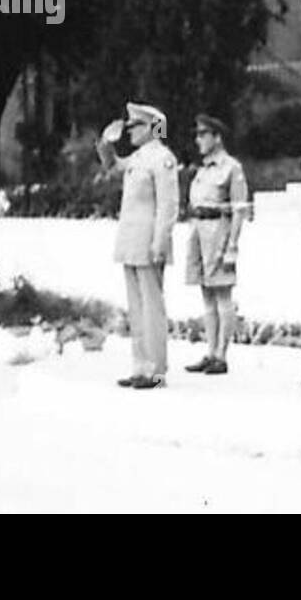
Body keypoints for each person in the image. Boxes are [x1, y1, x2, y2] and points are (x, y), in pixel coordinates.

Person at [97, 102, 178, 389]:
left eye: (136, 127)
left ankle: (156, 370)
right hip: (131, 240)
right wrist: (106, 143)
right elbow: (111, 165)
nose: (130, 132)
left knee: (152, 306)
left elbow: (168, 207)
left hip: (149, 241)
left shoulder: (162, 159)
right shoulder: (138, 159)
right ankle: (140, 366)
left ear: (153, 128)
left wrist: (160, 242)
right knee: (136, 307)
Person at [183, 114, 251, 376]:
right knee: (206, 294)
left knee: (222, 293)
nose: (198, 139)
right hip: (199, 229)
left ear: (217, 137)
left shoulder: (231, 168)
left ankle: (222, 354)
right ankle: (210, 351)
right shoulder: (203, 169)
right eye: (198, 134)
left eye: (203, 134)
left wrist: (232, 245)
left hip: (218, 230)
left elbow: (239, 208)